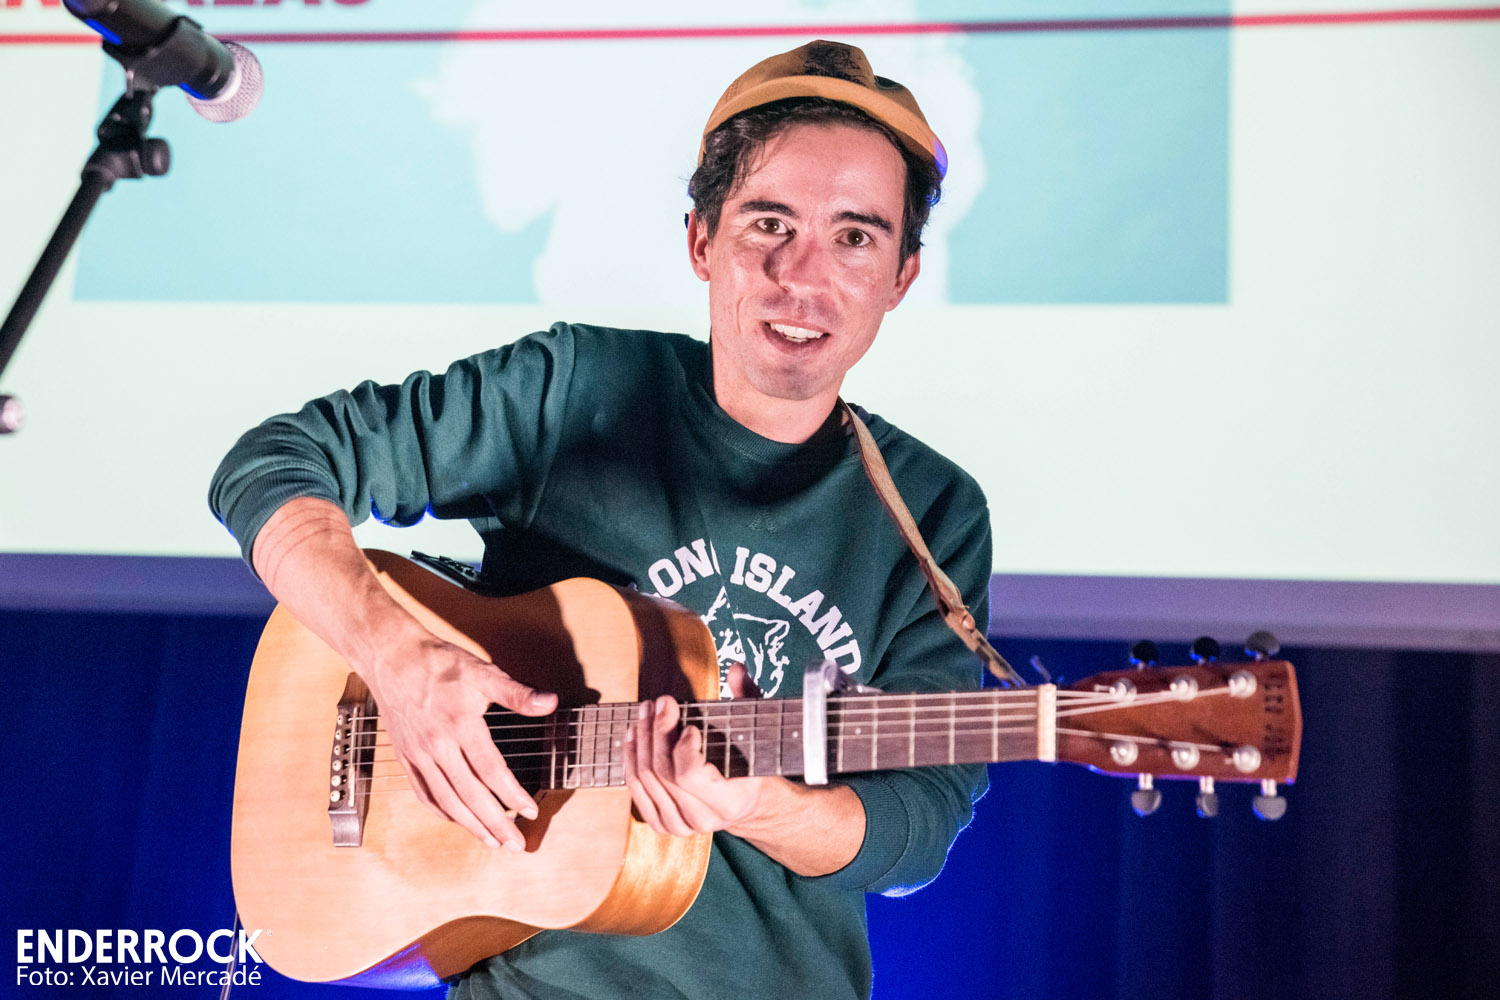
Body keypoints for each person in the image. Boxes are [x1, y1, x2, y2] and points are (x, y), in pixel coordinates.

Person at [211, 40, 992, 1000]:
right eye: (768, 222)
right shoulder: (575, 388)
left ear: (902, 276)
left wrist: (755, 804)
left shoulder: (933, 512)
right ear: (701, 241)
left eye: (856, 238)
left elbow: (918, 828)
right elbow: (274, 462)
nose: (802, 274)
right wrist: (393, 655)